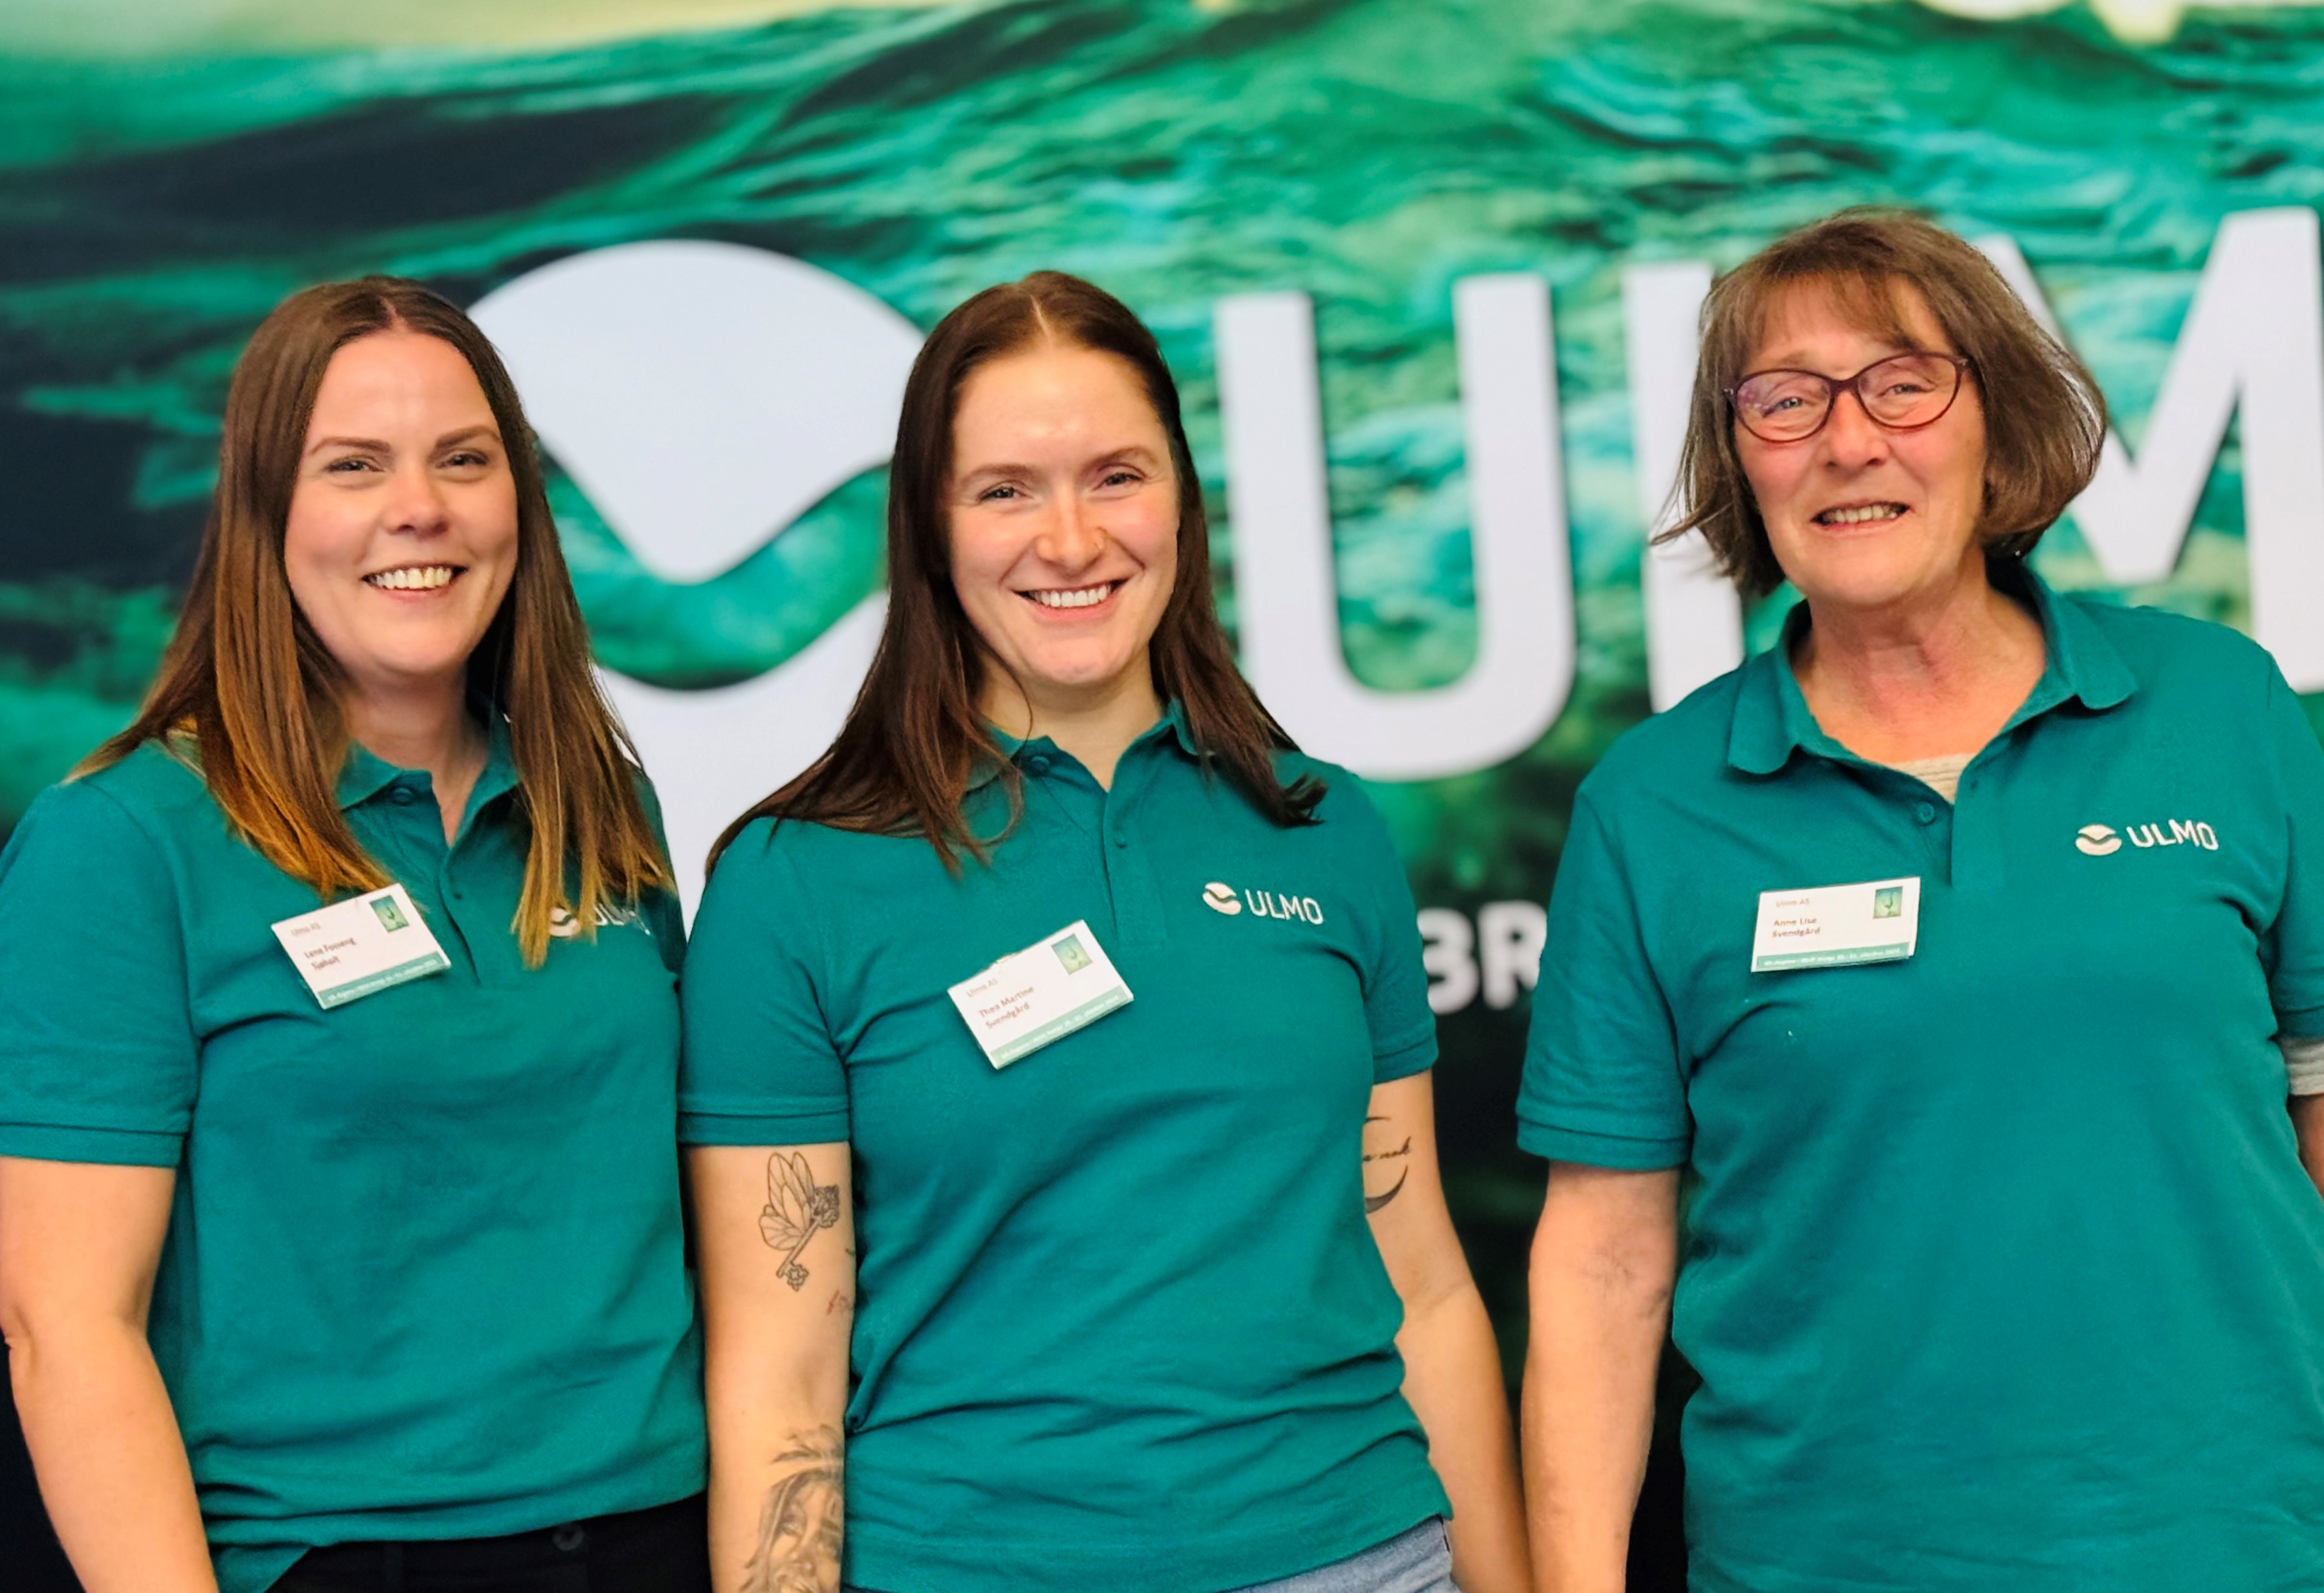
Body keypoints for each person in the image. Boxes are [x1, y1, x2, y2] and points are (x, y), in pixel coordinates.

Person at [681, 271, 1529, 1593]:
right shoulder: (795, 880)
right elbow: (778, 1382)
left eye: (1116, 477)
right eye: (1005, 490)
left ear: (1182, 498)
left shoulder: (1322, 828)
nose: (1070, 540)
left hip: (1362, 1555)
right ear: (930, 527)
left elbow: (1422, 1283)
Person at [1519, 208, 2324, 1592]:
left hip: (2234, 1542)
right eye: (1786, 401)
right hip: (1827, 1558)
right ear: (1741, 462)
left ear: (1997, 426)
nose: (1849, 441)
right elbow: (1602, 1263)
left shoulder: (2219, 705)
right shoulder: (1652, 806)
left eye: (1903, 383)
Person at [0, 279, 706, 1593]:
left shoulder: (601, 803)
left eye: (464, 460)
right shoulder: (121, 843)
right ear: (265, 511)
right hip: (340, 1553)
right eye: (355, 465)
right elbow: (65, 1326)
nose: (419, 508)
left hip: (662, 1532)